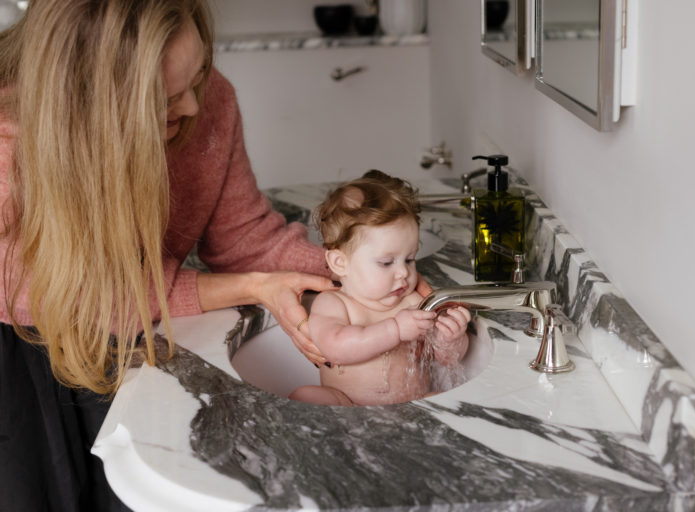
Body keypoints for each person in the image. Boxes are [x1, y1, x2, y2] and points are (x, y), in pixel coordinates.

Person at [0, 1, 346, 509]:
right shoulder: (9, 139)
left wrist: (357, 274)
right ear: (85, 102)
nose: (190, 108)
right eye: (162, 100)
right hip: (16, 362)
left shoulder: (209, 100)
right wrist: (246, 286)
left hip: (136, 333)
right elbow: (70, 289)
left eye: (199, 74)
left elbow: (245, 237)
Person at [290, 171, 470, 406]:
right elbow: (336, 348)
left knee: (447, 403)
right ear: (340, 263)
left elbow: (446, 360)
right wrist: (394, 330)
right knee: (306, 396)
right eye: (386, 262)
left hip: (413, 405)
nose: (404, 273)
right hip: (348, 406)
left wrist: (451, 338)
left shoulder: (412, 301)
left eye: (410, 259)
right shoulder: (334, 304)